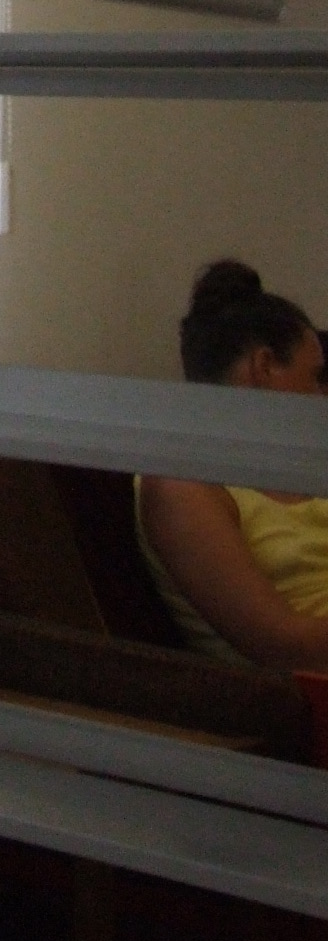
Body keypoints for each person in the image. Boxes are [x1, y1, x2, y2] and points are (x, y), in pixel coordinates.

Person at [136, 260, 328, 669]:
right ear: (264, 367)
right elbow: (283, 645)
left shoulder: (300, 469)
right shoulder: (182, 483)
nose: (321, 397)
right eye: (315, 378)